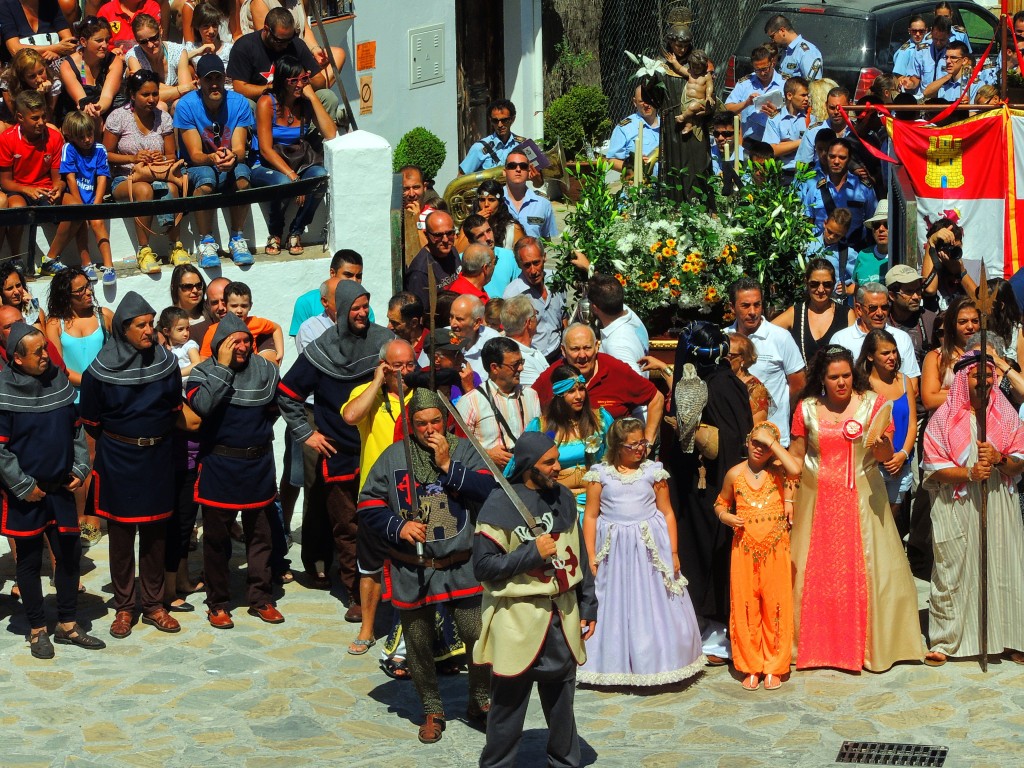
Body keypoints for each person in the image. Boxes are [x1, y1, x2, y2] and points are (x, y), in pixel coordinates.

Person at [357, 388, 496, 743]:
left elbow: (489, 489)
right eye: (421, 423)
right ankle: (431, 708)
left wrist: (449, 464)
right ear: (411, 424)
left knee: (477, 634)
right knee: (417, 643)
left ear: (445, 420)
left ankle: (480, 700)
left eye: (436, 421)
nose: (430, 429)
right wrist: (398, 526)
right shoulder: (392, 457)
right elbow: (368, 502)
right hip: (412, 567)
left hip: (460, 563)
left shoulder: (466, 449)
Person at [789, 345, 924, 671]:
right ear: (822, 378)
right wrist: (784, 494)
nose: (841, 383)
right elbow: (795, 457)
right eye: (833, 377)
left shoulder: (874, 406)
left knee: (867, 573)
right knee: (815, 574)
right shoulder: (806, 409)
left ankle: (869, 647)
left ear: (855, 374)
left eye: (846, 376)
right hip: (816, 501)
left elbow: (884, 457)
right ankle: (819, 647)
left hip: (864, 501)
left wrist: (883, 446)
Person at [474, 431, 596, 768]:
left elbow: (579, 557)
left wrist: (589, 603)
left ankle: (565, 763)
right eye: (550, 462)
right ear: (529, 466)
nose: (559, 467)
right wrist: (531, 555)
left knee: (561, 707)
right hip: (517, 617)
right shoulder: (499, 504)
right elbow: (483, 567)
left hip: (563, 615)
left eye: (557, 459)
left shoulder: (565, 500)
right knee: (507, 710)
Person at [277, 281, 394, 606]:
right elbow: (288, 395)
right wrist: (308, 433)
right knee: (348, 528)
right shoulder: (322, 349)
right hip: (340, 453)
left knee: (387, 521)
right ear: (341, 309)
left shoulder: (384, 340)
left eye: (365, 305)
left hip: (381, 447)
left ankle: (388, 587)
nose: (361, 313)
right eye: (355, 307)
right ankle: (356, 595)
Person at [79, 292, 183, 639]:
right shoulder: (99, 372)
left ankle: (153, 605)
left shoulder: (165, 364)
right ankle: (124, 607)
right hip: (119, 460)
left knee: (155, 535)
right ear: (123, 328)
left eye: (151, 323)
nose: (149, 330)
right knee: (121, 537)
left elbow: (172, 409)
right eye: (141, 325)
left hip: (157, 458)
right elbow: (92, 420)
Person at [0, 322, 104, 659]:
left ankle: (68, 625)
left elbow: (76, 429)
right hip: (26, 495)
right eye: (38, 352)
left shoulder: (58, 381)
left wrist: (79, 466)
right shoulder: (3, 392)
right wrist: (23, 485)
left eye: (45, 348)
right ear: (17, 359)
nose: (47, 355)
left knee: (70, 556)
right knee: (29, 563)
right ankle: (36, 630)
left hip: (60, 490)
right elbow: (0, 449)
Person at [579, 416, 704, 686]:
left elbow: (667, 512)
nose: (640, 449)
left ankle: (658, 661)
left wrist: (672, 552)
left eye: (643, 443)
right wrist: (590, 553)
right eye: (633, 445)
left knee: (651, 603)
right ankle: (610, 663)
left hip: (648, 550)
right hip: (614, 551)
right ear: (616, 446)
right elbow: (590, 516)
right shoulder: (600, 475)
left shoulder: (653, 472)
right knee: (614, 603)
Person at [922, 351, 1024, 666]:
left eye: (989, 376)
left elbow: (1019, 462)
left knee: (1004, 565)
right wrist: (968, 473)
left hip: (997, 502)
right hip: (959, 503)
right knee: (953, 568)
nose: (984, 382)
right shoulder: (943, 418)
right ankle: (944, 640)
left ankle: (1012, 637)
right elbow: (932, 467)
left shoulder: (1006, 416)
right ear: (964, 380)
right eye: (977, 376)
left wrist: (1000, 460)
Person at [187, 312, 284, 629]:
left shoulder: (266, 371)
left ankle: (261, 598)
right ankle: (217, 602)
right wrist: (225, 368)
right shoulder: (202, 372)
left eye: (246, 341)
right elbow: (201, 407)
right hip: (219, 465)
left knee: (261, 537)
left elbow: (273, 411)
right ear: (219, 346)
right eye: (234, 342)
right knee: (216, 541)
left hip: (258, 465)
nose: (243, 346)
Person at [340, 337, 416, 656]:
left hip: (414, 493)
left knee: (414, 563)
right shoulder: (367, 394)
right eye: (396, 366)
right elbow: (351, 416)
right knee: (370, 565)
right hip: (376, 494)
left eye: (408, 364)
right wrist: (376, 381)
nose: (403, 372)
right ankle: (368, 628)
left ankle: (413, 630)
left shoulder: (421, 395)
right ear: (384, 366)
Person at [714, 421, 801, 690]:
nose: (759, 449)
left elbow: (796, 468)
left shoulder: (779, 473)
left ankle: (775, 665)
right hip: (744, 549)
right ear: (746, 442)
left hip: (775, 547)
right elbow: (720, 503)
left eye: (765, 445)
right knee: (746, 606)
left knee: (776, 605)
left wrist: (773, 444)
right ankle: (750, 665)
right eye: (755, 442)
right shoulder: (734, 474)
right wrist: (726, 517)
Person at [44, 268, 111, 544]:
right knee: (82, 460)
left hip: (106, 400)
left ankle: (95, 516)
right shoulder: (55, 324)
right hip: (74, 401)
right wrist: (93, 382)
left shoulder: (104, 316)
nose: (88, 292)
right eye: (80, 290)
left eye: (88, 286)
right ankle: (81, 517)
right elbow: (59, 368)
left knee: (100, 459)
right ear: (65, 296)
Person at [103, 69, 190, 275]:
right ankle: (144, 250)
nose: (151, 99)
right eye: (145, 95)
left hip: (157, 174)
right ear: (132, 95)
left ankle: (175, 245)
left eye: (155, 94)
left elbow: (171, 155)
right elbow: (105, 154)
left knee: (172, 187)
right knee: (143, 190)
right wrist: (132, 158)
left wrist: (161, 159)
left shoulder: (164, 118)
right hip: (125, 178)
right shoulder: (118, 117)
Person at [174, 53, 255, 267]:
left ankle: (237, 237)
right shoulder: (186, 105)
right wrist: (213, 157)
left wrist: (232, 156)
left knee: (243, 175)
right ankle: (206, 241)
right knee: (207, 178)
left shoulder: (239, 103)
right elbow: (195, 155)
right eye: (208, 79)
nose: (214, 84)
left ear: (224, 78)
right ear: (199, 80)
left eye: (218, 78)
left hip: (227, 161)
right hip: (197, 166)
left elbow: (239, 148)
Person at [250, 54, 335, 256]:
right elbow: (265, 149)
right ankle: (275, 232)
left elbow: (330, 134)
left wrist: (313, 97)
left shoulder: (305, 103)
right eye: (293, 81)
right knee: (283, 183)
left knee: (320, 177)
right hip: (266, 164)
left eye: (304, 79)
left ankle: (296, 230)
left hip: (298, 160)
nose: (300, 85)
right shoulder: (266, 103)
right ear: (281, 81)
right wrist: (292, 176)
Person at [533, 323, 665, 445]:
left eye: (587, 348)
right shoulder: (552, 376)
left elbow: (656, 398)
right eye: (575, 349)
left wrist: (647, 443)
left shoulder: (615, 370)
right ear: (563, 350)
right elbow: (529, 402)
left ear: (597, 346)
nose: (582, 355)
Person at [0, 90, 76, 276]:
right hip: (18, 189)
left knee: (76, 208)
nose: (41, 122)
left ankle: (50, 259)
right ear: (20, 117)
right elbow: (5, 183)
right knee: (16, 208)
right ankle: (16, 258)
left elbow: (58, 179)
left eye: (43, 116)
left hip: (45, 189)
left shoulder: (54, 137)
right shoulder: (7, 139)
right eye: (35, 118)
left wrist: (58, 187)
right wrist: (27, 189)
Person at [728, 278, 805, 446]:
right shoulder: (724, 338)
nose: (753, 311)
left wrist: (783, 415)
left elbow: (798, 384)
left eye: (757, 304)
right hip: (734, 436)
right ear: (732, 307)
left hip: (773, 437)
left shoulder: (781, 337)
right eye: (745, 305)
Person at [526, 364, 612, 513]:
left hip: (598, 501)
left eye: (581, 389)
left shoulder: (601, 420)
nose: (579, 396)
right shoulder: (544, 428)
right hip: (557, 504)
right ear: (559, 394)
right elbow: (527, 468)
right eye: (571, 391)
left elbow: (614, 457)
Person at [226, 7, 338, 119]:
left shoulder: (295, 44)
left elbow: (320, 81)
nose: (285, 45)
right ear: (266, 29)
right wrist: (276, 87)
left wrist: (302, 81)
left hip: (295, 106)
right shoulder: (244, 46)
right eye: (280, 41)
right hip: (262, 106)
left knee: (327, 97)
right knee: (245, 105)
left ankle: (317, 135)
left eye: (289, 40)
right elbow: (240, 88)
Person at [857, 329, 917, 522]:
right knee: (871, 519)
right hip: (872, 465)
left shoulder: (905, 381)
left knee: (894, 518)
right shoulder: (861, 385)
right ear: (870, 356)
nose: (892, 357)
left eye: (894, 351)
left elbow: (912, 424)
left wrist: (903, 455)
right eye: (885, 353)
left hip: (901, 463)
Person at [456, 336, 541, 470]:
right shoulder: (469, 402)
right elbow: (459, 453)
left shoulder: (531, 395)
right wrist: (487, 455)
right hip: (491, 483)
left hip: (526, 479)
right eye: (515, 365)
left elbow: (540, 437)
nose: (521, 368)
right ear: (494, 368)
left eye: (521, 362)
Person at [58, 110, 113, 282]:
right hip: (76, 198)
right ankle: (86, 263)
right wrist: (81, 205)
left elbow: (102, 178)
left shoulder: (100, 149)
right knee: (81, 222)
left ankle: (109, 266)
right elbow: (70, 177)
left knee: (97, 222)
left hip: (93, 197)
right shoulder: (69, 149)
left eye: (89, 135)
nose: (87, 140)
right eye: (81, 137)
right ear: (72, 137)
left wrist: (95, 205)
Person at [830, 282, 921, 385]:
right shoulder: (841, 340)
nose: (880, 313)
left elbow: (912, 385)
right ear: (859, 309)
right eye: (873, 308)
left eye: (884, 307)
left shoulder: (902, 338)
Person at [800, 138, 877, 250]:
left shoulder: (863, 188)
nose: (836, 161)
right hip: (822, 252)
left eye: (842, 157)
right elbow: (806, 224)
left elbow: (873, 222)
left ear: (849, 159)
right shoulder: (815, 190)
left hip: (854, 254)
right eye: (832, 156)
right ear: (826, 158)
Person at [772, 259, 851, 367]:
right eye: (814, 284)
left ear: (833, 284)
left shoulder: (847, 315)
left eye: (827, 284)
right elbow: (766, 333)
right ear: (806, 282)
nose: (821, 289)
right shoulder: (795, 314)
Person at [502, 238, 565, 363]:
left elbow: (563, 316)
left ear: (544, 257)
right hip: (532, 360)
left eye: (536, 263)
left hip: (559, 355)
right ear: (519, 264)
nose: (533, 271)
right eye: (527, 265)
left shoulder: (556, 280)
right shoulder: (513, 295)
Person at [55, 17, 124, 129]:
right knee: (95, 120)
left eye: (107, 40)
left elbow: (107, 96)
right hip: (78, 116)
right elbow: (81, 99)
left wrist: (98, 109)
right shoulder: (68, 66)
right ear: (83, 41)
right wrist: (92, 111)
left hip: (104, 110)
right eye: (99, 41)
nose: (105, 45)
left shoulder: (114, 61)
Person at [290, 250, 369, 336]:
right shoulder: (306, 303)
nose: (354, 281)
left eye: (358, 276)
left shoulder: (364, 309)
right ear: (332, 273)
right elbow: (303, 344)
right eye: (348, 275)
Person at [921, 296, 979, 412]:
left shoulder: (987, 354)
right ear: (952, 324)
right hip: (947, 425)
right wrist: (973, 394)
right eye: (963, 322)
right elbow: (929, 400)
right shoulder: (936, 357)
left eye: (975, 321)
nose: (970, 326)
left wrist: (946, 393)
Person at [404, 210, 461, 321]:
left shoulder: (452, 251)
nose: (445, 240)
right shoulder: (419, 273)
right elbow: (421, 317)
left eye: (450, 233)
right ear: (426, 235)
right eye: (438, 235)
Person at [588, 273, 648, 375]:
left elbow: (638, 385)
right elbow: (608, 290)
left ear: (594, 308)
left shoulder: (616, 345)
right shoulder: (631, 316)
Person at [124, 14, 188, 108]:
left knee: (180, 104)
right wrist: (179, 89)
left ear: (160, 30)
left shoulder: (178, 51)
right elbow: (147, 96)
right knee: (160, 106)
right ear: (137, 41)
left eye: (153, 38)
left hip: (175, 102)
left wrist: (183, 89)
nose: (150, 45)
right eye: (143, 42)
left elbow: (187, 93)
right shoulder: (134, 56)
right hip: (147, 106)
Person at [725, 45, 784, 142]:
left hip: (776, 141)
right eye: (758, 70)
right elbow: (727, 109)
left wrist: (776, 114)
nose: (762, 73)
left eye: (765, 69)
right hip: (748, 141)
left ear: (772, 63)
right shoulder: (745, 84)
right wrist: (746, 103)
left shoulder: (784, 84)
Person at [606, 77, 662, 175]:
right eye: (641, 101)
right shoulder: (624, 128)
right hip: (639, 187)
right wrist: (633, 167)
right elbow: (611, 160)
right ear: (634, 102)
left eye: (649, 100)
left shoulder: (668, 124)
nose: (646, 104)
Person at [887, 265, 938, 366]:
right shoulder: (882, 322)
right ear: (892, 295)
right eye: (909, 292)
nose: (916, 297)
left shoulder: (931, 320)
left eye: (918, 290)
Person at [921, 216, 974, 312]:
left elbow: (984, 303)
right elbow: (929, 290)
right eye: (947, 248)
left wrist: (961, 273)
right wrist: (931, 243)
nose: (951, 252)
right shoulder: (924, 271)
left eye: (956, 247)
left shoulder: (976, 267)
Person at [459, 98, 527, 174]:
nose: (500, 125)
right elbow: (461, 178)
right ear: (490, 121)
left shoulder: (523, 145)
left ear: (512, 119)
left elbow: (539, 182)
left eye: (504, 120)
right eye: (495, 121)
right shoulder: (479, 148)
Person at [502, 150, 557, 240]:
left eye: (523, 166)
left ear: (529, 172)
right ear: (504, 172)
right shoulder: (492, 201)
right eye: (512, 166)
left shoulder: (544, 204)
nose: (518, 169)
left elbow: (547, 241)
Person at [763, 76, 809, 177]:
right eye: (803, 95)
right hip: (783, 175)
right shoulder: (775, 119)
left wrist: (784, 145)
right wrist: (803, 141)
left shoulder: (810, 117)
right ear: (789, 96)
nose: (806, 99)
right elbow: (771, 150)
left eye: (807, 95)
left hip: (806, 175)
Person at [1, 48, 60, 128]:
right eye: (32, 76)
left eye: (41, 72)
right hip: (15, 123)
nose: (39, 79)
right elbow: (18, 117)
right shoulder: (8, 82)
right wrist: (36, 95)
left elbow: (47, 118)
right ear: (22, 77)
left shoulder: (54, 83)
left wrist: (42, 96)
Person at [0, 0, 75, 62]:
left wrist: (58, 53)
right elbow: (15, 50)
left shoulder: (51, 3)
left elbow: (69, 41)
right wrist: (56, 48)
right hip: (23, 73)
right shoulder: (5, 5)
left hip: (55, 66)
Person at [500, 294, 547, 388]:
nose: (537, 319)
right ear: (529, 323)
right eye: (535, 314)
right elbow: (543, 391)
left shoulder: (530, 348)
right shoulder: (516, 360)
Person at [449, 294, 498, 382]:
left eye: (459, 319)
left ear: (477, 323)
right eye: (451, 317)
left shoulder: (494, 342)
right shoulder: (442, 336)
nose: (453, 324)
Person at [465, 179, 524, 252]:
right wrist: (473, 222)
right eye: (482, 200)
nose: (486, 204)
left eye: (491, 200)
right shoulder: (469, 223)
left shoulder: (512, 228)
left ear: (500, 203)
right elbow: (460, 252)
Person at [182, 2, 235, 77]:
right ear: (197, 27)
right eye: (206, 26)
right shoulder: (192, 48)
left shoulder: (229, 49)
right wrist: (198, 51)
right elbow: (175, 61)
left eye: (214, 25)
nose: (211, 31)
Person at [726, 332, 769, 424]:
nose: (724, 359)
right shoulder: (718, 381)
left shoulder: (756, 389)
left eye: (729, 355)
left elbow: (757, 427)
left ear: (743, 358)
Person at [766, 13, 822, 80]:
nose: (772, 41)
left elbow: (813, 85)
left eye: (772, 36)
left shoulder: (807, 52)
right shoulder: (785, 50)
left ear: (782, 31)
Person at [852, 201, 890, 291]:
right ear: (872, 230)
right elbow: (856, 290)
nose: (881, 229)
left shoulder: (900, 256)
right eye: (876, 225)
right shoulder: (863, 255)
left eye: (886, 224)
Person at [159, 306, 200, 383]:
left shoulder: (189, 345)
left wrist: (177, 374)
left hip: (192, 383)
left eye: (187, 328)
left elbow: (197, 364)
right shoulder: (166, 349)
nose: (186, 333)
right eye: (180, 329)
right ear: (166, 331)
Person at [96, 0, 162, 48]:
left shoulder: (151, 7)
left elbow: (155, 42)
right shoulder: (106, 11)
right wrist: (112, 53)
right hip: (115, 61)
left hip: (146, 57)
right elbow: (101, 44)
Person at [0, 261, 45, 328]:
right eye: (10, 288)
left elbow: (41, 338)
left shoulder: (36, 311)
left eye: (18, 285)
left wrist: (31, 309)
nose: (17, 292)